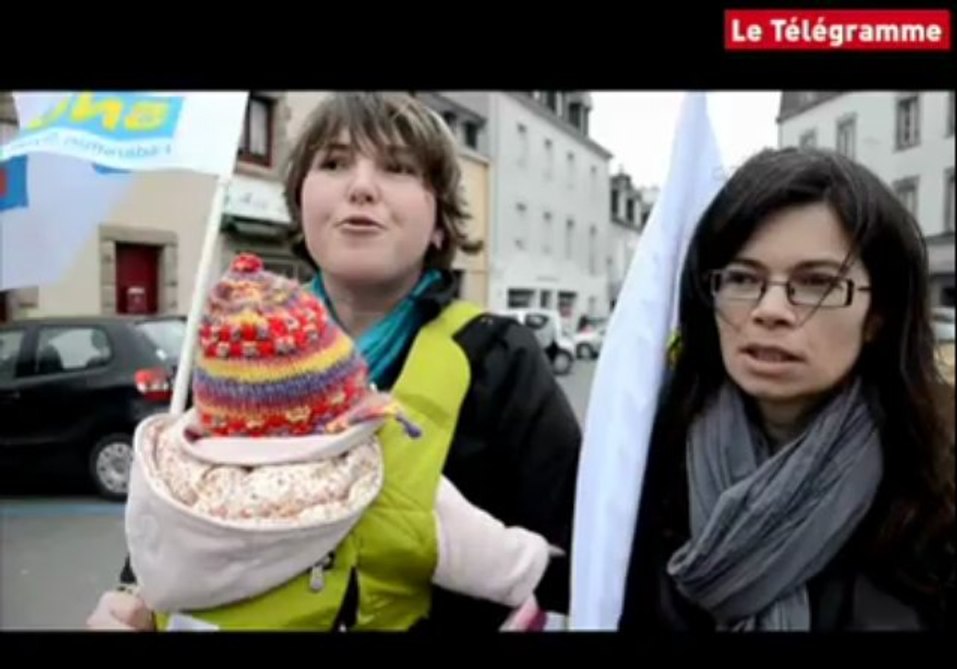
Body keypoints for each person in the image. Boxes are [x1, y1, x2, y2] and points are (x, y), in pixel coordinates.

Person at [88, 92, 580, 631]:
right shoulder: (238, 348)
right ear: (301, 202)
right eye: (334, 163)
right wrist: (130, 596)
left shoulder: (497, 359)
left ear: (440, 220)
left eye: (397, 167)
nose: (361, 186)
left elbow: (572, 566)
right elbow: (178, 515)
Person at [123, 253, 559, 630]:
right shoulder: (377, 481)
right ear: (341, 409)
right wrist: (539, 562)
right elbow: (502, 564)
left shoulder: (169, 472)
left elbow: (143, 564)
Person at [619, 147, 954, 631]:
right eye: (742, 278)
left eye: (816, 282)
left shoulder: (934, 492)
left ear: (878, 315)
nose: (769, 309)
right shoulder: (645, 470)